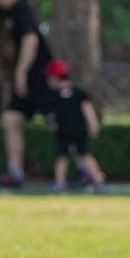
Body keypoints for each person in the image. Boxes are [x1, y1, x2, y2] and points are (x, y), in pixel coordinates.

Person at [0, 0, 53, 187]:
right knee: (11, 119)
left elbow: (31, 40)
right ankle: (15, 173)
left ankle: (90, 171)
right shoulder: (10, 12)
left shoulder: (21, 8)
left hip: (39, 75)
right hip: (27, 75)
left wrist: (22, 72)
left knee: (60, 121)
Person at [44, 59, 108, 193]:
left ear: (55, 78)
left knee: (72, 156)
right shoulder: (73, 94)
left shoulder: (61, 96)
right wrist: (93, 125)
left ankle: (95, 180)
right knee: (74, 156)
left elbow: (87, 112)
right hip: (71, 131)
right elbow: (87, 112)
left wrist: (93, 125)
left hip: (71, 131)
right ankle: (64, 182)